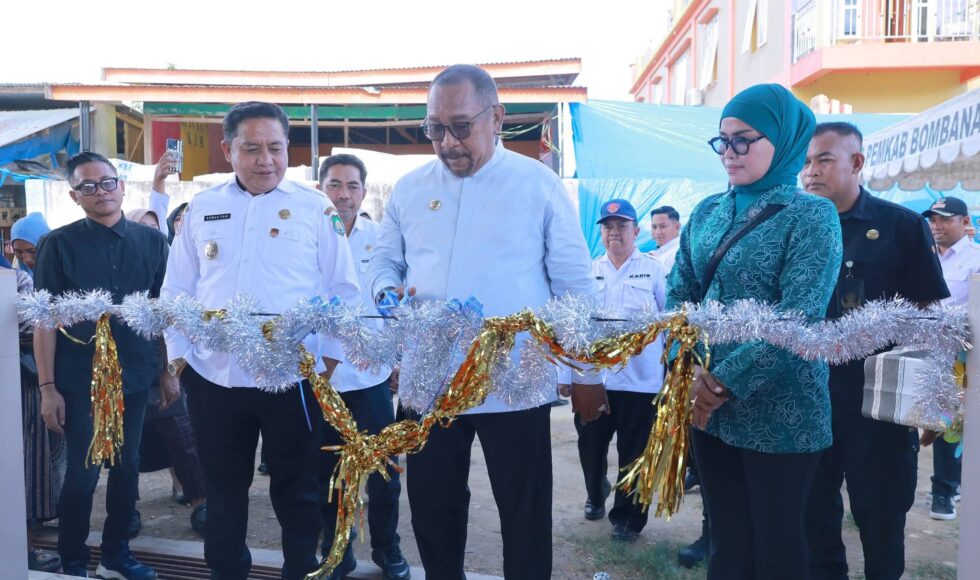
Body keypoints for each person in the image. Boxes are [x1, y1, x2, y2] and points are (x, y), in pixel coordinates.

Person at [370, 64, 603, 579]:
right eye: (434, 128)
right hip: (429, 381)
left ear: (495, 118)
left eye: (460, 126)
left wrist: (587, 374)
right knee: (432, 508)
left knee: (524, 511)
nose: (447, 142)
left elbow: (574, 287)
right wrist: (386, 292)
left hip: (514, 379)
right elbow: (385, 263)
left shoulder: (537, 185)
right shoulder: (409, 189)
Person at [161, 101, 361, 580]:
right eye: (251, 149)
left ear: (286, 148)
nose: (265, 160)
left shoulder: (316, 209)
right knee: (224, 492)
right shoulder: (204, 208)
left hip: (292, 378)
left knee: (298, 491)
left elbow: (343, 290)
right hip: (214, 377)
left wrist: (327, 361)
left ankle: (299, 572)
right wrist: (180, 359)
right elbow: (177, 289)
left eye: (275, 148)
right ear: (228, 150)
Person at [667, 84, 843, 579]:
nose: (729, 152)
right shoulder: (706, 212)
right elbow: (679, 296)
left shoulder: (811, 215)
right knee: (726, 542)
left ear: (784, 140)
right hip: (709, 411)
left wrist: (718, 382)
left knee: (778, 548)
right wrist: (694, 370)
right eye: (722, 140)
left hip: (782, 412)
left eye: (743, 139)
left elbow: (798, 318)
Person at [802, 122, 949, 580]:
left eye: (824, 159)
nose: (812, 172)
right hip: (810, 399)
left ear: (857, 163)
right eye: (807, 162)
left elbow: (929, 316)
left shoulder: (900, 225)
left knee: (881, 518)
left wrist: (932, 400)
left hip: (879, 407)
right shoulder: (801, 227)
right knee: (814, 517)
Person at [33, 151, 178, 579]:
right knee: (82, 474)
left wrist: (168, 371)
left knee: (128, 467)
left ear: (122, 186)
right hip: (79, 382)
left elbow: (163, 313)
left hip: (135, 375)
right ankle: (74, 562)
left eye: (107, 182)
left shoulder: (153, 242)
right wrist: (47, 388)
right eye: (89, 186)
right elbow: (45, 320)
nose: (101, 192)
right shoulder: (57, 246)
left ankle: (117, 555)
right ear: (75, 195)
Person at [316, 153, 409, 579]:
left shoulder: (381, 240)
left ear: (363, 191)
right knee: (329, 471)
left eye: (353, 186)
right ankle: (337, 548)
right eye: (335, 184)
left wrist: (396, 359)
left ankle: (388, 548)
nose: (344, 194)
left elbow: (396, 303)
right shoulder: (309, 235)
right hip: (324, 377)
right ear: (322, 188)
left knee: (384, 472)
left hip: (370, 375)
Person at [567, 199, 665, 542]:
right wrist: (571, 376)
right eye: (608, 227)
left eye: (622, 226)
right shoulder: (588, 273)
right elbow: (575, 327)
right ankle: (596, 492)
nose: (614, 233)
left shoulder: (654, 271)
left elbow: (669, 324)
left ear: (636, 231)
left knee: (634, 452)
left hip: (641, 381)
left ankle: (627, 518)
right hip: (596, 380)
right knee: (590, 446)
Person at [7, 245, 65, 573]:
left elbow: (35, 326)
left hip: (18, 388)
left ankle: (25, 550)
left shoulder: (17, 280)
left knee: (22, 469)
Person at [922, 196, 980, 520]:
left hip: (959, 355)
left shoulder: (976, 259)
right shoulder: (924, 255)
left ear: (964, 221)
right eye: (933, 219)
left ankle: (944, 491)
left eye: (945, 219)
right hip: (921, 349)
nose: (937, 225)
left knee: (948, 425)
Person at [11, 212, 50, 277]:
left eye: (32, 252)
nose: (27, 260)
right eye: (18, 252)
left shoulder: (66, 273)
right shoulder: (15, 276)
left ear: (46, 247)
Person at [648, 205, 681, 273]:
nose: (657, 232)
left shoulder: (678, 254)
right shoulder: (658, 253)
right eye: (654, 227)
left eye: (663, 226)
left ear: (677, 226)